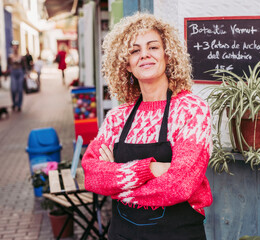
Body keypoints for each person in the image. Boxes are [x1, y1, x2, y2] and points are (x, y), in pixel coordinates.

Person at [82, 12, 213, 239]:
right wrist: (149, 169)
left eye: (152, 47)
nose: (144, 55)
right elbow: (92, 175)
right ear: (127, 66)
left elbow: (180, 185)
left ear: (167, 55)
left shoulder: (191, 110)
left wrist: (117, 183)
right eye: (135, 51)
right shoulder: (117, 117)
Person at [7, 40, 26, 112]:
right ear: (12, 48)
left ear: (17, 48)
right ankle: (14, 103)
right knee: (13, 89)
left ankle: (19, 105)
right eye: (13, 47)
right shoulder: (10, 57)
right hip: (13, 72)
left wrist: (26, 75)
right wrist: (6, 75)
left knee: (20, 90)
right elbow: (8, 66)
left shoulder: (21, 56)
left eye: (16, 47)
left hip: (20, 72)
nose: (15, 48)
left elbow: (24, 66)